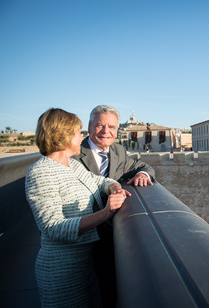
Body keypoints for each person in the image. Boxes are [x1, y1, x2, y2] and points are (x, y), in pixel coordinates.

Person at [25, 108, 131, 307]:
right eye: (77, 132)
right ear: (62, 135)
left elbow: (99, 181)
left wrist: (114, 186)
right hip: (61, 271)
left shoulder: (72, 166)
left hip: (84, 264)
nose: (81, 137)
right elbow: (53, 227)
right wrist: (106, 213)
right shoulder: (41, 172)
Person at [71, 105, 155, 307]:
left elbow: (142, 166)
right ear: (90, 127)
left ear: (117, 129)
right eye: (100, 125)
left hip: (113, 232)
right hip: (82, 234)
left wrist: (143, 175)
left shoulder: (117, 151)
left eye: (111, 126)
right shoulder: (73, 153)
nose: (105, 131)